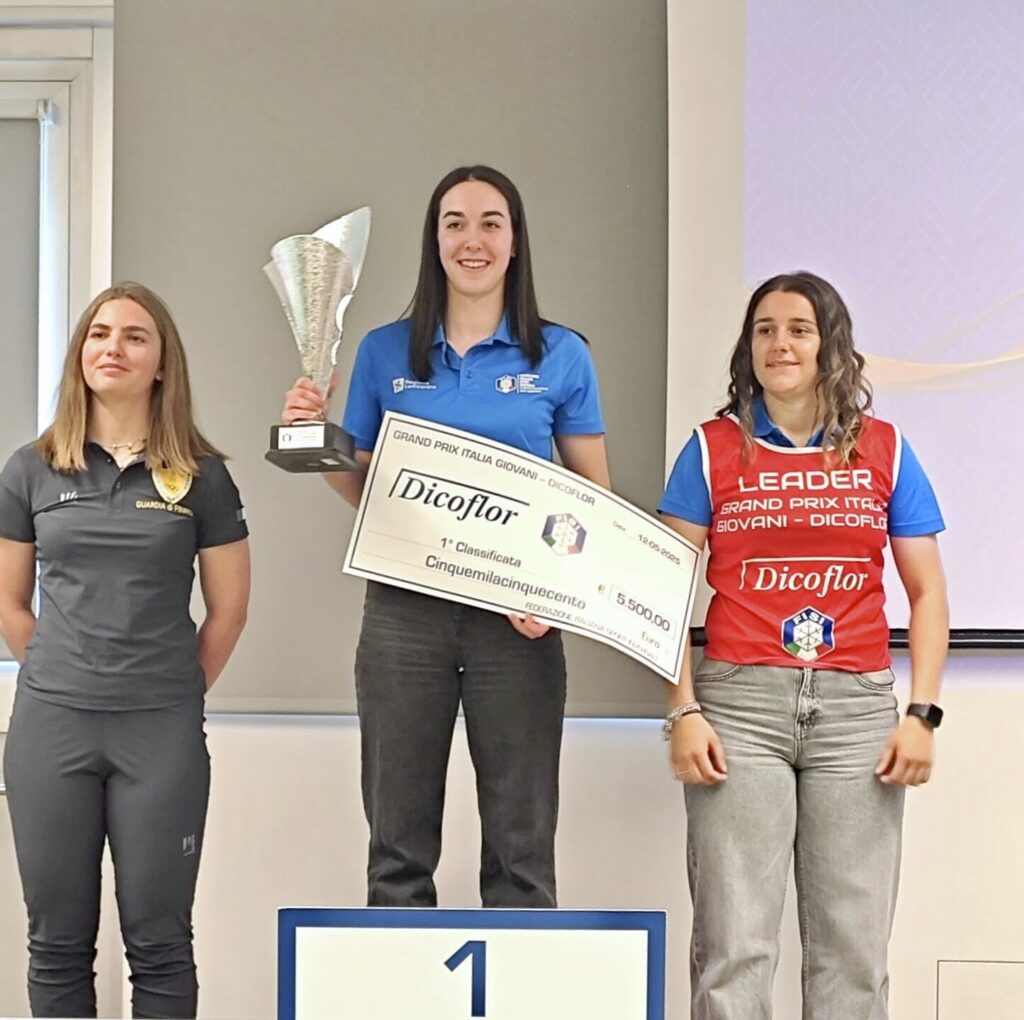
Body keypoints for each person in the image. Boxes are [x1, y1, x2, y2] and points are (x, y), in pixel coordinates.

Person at [282, 165, 610, 907]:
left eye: (491, 223)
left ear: (515, 241)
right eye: (454, 223)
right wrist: (314, 436)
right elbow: (364, 486)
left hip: (517, 620)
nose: (473, 240)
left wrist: (557, 593)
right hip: (405, 616)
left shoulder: (561, 354)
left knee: (523, 852)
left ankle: (519, 979)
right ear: (434, 241)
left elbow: (593, 500)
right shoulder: (384, 351)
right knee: (396, 850)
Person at [658, 271, 947, 1019]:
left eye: (798, 329)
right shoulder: (711, 449)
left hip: (856, 713)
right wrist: (682, 709)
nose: (779, 344)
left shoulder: (885, 448)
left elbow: (926, 593)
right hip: (739, 707)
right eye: (764, 330)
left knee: (854, 951)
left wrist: (922, 713)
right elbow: (661, 588)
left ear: (831, 346)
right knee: (734, 948)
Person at [0, 283, 251, 1019]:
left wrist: (170, 690)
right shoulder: (31, 468)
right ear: (81, 355)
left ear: (162, 364)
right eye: (100, 334)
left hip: (160, 730)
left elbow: (229, 611)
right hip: (51, 727)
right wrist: (64, 673)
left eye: (135, 336)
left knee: (161, 944)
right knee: (55, 945)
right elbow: (10, 605)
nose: (114, 347)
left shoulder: (203, 476)